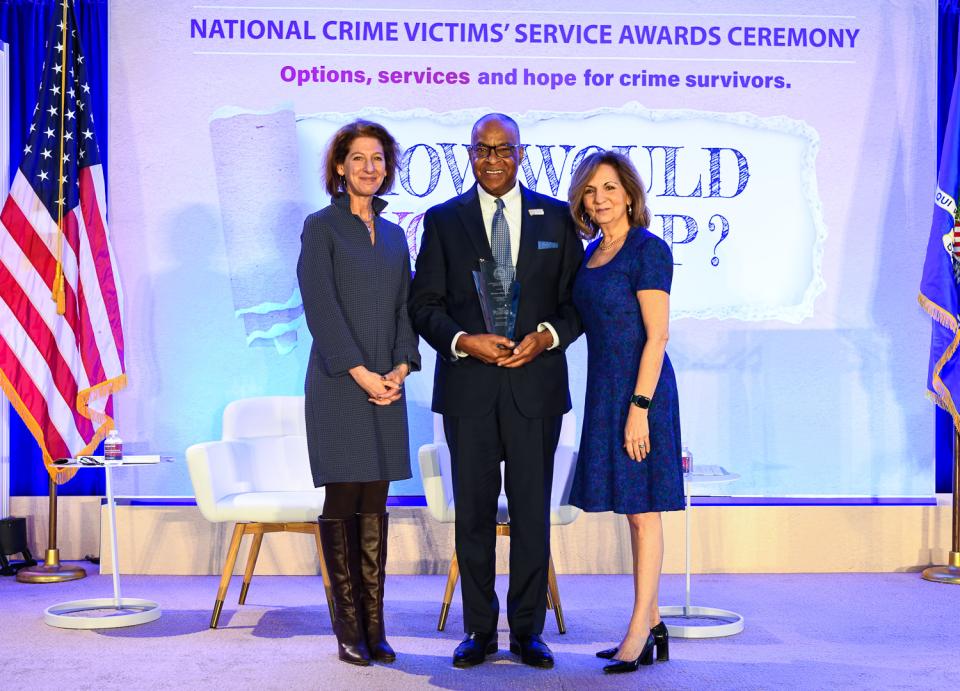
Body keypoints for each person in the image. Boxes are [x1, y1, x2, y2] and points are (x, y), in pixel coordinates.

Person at [409, 113, 583, 669]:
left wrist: (547, 336)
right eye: (482, 150)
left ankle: (528, 632)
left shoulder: (558, 217)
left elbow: (577, 304)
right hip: (470, 391)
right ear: (469, 155)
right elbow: (423, 306)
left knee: (531, 516)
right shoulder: (443, 220)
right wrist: (463, 341)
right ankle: (479, 631)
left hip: (536, 389)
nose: (492, 160)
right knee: (474, 518)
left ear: (521, 153)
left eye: (503, 149)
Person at [297, 120, 420, 667]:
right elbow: (320, 308)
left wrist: (401, 367)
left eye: (378, 158)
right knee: (343, 498)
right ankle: (348, 629)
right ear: (340, 167)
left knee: (376, 500)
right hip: (338, 382)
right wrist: (361, 373)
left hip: (388, 385)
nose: (370, 167)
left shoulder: (394, 235)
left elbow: (404, 308)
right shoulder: (320, 226)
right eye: (358, 158)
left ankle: (375, 626)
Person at [566, 150, 685, 674]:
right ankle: (653, 623)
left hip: (643, 392)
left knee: (643, 512)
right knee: (630, 507)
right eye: (591, 190)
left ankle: (638, 629)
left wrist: (640, 408)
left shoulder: (647, 249)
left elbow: (657, 336)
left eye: (610, 188)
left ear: (630, 195)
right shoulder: (591, 253)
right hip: (604, 390)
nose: (600, 198)